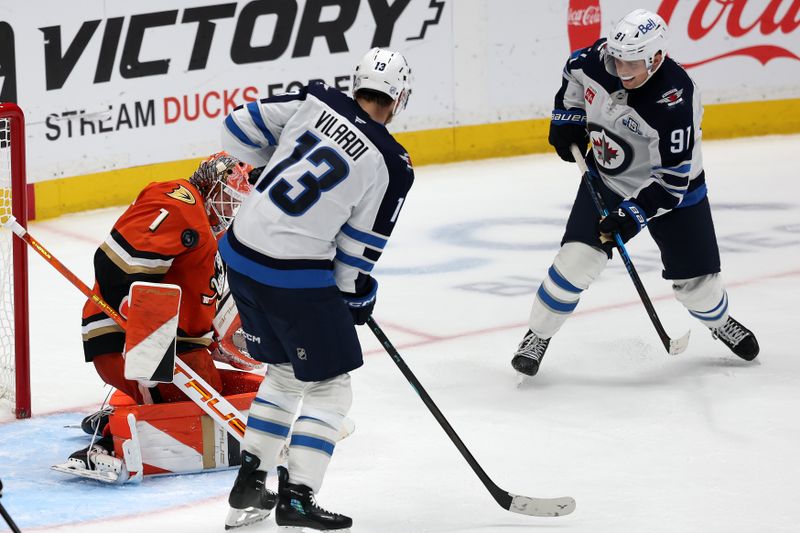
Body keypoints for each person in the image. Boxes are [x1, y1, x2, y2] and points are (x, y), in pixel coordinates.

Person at [218, 47, 414, 531]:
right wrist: (353, 295)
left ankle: (251, 479)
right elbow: (359, 246)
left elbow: (237, 127)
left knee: (284, 375)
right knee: (330, 387)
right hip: (291, 273)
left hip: (240, 251)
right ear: (398, 99)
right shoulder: (393, 161)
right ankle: (297, 497)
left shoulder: (316, 100)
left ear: (357, 84)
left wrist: (269, 170)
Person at [510, 9, 759, 378]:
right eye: (617, 60)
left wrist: (633, 215)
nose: (621, 70)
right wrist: (568, 116)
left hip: (674, 190)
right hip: (611, 178)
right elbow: (573, 73)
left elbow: (672, 184)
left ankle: (719, 320)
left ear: (656, 58)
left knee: (699, 288)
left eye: (632, 64)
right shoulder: (598, 60)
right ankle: (537, 335)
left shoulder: (676, 99)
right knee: (577, 261)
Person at [69, 152, 256, 472]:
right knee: (205, 416)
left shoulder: (213, 232)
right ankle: (113, 437)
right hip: (125, 339)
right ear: (211, 184)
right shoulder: (179, 202)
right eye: (230, 198)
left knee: (219, 394)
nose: (233, 208)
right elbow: (114, 263)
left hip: (175, 345)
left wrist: (214, 339)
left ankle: (131, 406)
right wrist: (143, 322)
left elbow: (195, 301)